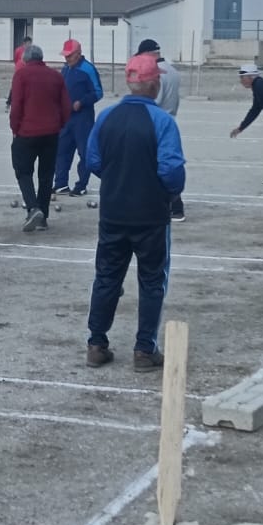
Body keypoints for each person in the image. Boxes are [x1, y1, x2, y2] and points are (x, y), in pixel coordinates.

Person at [83, 53, 186, 369]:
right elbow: (171, 171)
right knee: (153, 280)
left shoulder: (107, 117)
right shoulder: (163, 122)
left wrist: (118, 178)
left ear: (130, 83)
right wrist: (168, 192)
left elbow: (93, 161)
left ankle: (96, 342)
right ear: (155, 84)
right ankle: (144, 349)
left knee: (107, 277)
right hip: (150, 215)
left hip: (113, 211)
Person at [8, 43, 68, 232]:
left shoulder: (21, 75)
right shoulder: (56, 76)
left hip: (27, 132)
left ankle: (33, 208)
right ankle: (43, 217)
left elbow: (16, 105)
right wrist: (59, 125)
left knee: (23, 171)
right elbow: (65, 106)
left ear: (26, 59)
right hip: (51, 133)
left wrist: (15, 128)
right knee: (46, 175)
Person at [136, 39, 185, 222]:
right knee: (163, 163)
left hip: (156, 122)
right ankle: (173, 205)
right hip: (170, 118)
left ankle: (175, 206)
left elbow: (154, 99)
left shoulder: (158, 73)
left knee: (155, 165)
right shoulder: (172, 70)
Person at [54, 39, 104, 194]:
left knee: (84, 152)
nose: (66, 58)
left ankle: (81, 185)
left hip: (83, 118)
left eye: (69, 56)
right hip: (66, 118)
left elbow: (98, 92)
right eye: (65, 56)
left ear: (78, 54)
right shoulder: (65, 69)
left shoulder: (88, 69)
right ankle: (61, 183)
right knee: (61, 150)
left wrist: (81, 102)